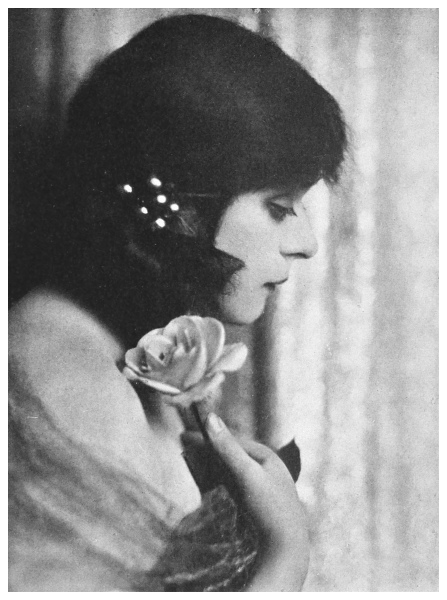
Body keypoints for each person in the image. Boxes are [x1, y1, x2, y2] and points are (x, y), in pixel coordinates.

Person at [9, 13, 347, 591]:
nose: (307, 243)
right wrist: (286, 555)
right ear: (181, 208)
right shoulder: (74, 386)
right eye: (279, 207)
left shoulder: (115, 349)